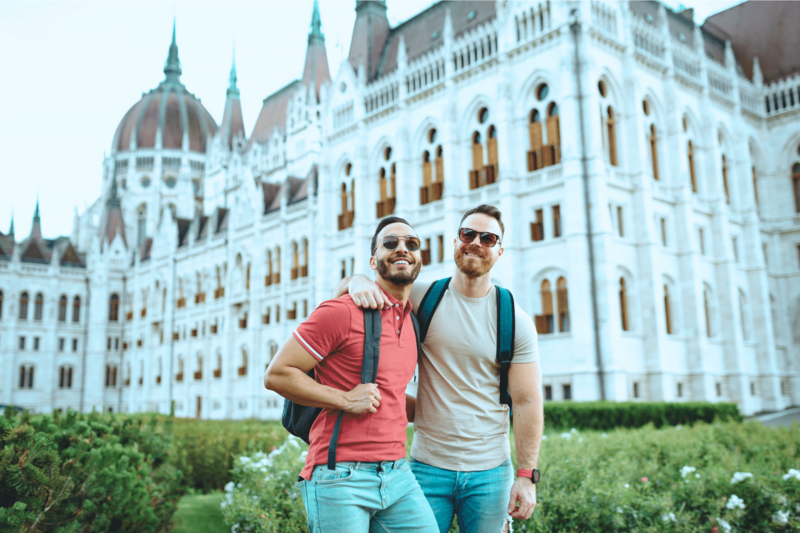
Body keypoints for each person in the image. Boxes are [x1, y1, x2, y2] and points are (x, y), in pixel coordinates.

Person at [334, 205, 544, 533]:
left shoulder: (515, 319)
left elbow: (529, 402)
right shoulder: (422, 296)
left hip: (491, 474)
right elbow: (359, 291)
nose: (476, 241)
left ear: (499, 250)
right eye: (468, 234)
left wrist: (527, 477)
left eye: (488, 238)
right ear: (455, 241)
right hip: (426, 468)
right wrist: (358, 280)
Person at [265, 216, 438, 533]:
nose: (402, 248)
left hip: (398, 474)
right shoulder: (343, 311)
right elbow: (277, 374)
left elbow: (391, 397)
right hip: (339, 476)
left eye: (411, 244)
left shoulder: (412, 322)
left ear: (420, 260)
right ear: (373, 260)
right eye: (390, 243)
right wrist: (345, 399)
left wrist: (451, 410)